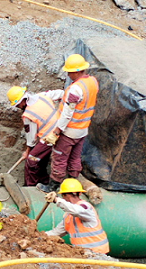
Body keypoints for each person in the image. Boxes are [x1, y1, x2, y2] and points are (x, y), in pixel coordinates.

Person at [43, 54, 99, 192]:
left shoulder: (75, 89)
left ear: (77, 71)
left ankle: (53, 186)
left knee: (59, 157)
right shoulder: (93, 82)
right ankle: (74, 182)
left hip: (69, 131)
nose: (68, 75)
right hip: (83, 130)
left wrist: (56, 131)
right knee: (74, 157)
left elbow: (67, 114)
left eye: (69, 71)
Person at [7, 86, 64, 188]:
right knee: (41, 158)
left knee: (31, 160)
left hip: (49, 138)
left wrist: (27, 151)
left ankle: (30, 187)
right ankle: (43, 180)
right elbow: (61, 93)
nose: (17, 107)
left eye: (17, 105)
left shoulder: (28, 115)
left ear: (22, 101)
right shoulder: (42, 96)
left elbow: (31, 140)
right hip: (61, 129)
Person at [44, 178, 109, 254]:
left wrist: (56, 200)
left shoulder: (85, 207)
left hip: (98, 253)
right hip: (83, 255)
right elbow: (56, 233)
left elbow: (76, 211)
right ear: (80, 193)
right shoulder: (68, 216)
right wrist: (39, 236)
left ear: (63, 195)